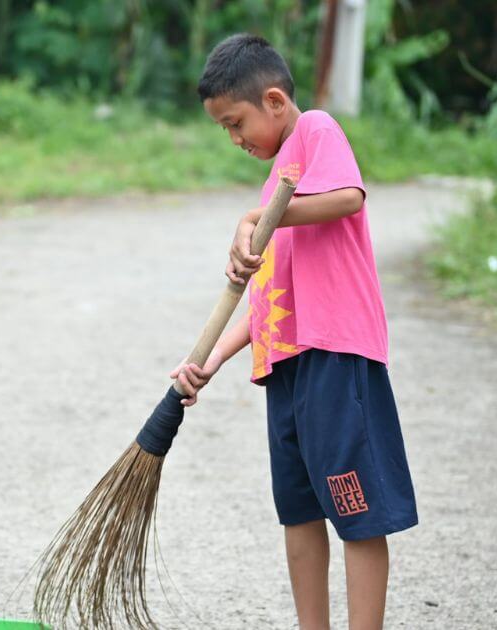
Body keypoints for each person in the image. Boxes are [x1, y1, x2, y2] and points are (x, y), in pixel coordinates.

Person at [172, 33, 418, 630]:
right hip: (285, 366)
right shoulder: (273, 181)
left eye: (236, 123)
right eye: (225, 130)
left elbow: (349, 199)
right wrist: (216, 358)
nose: (234, 139)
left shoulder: (316, 134)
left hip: (335, 356)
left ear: (275, 101)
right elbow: (269, 307)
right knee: (299, 510)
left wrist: (262, 216)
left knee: (355, 508)